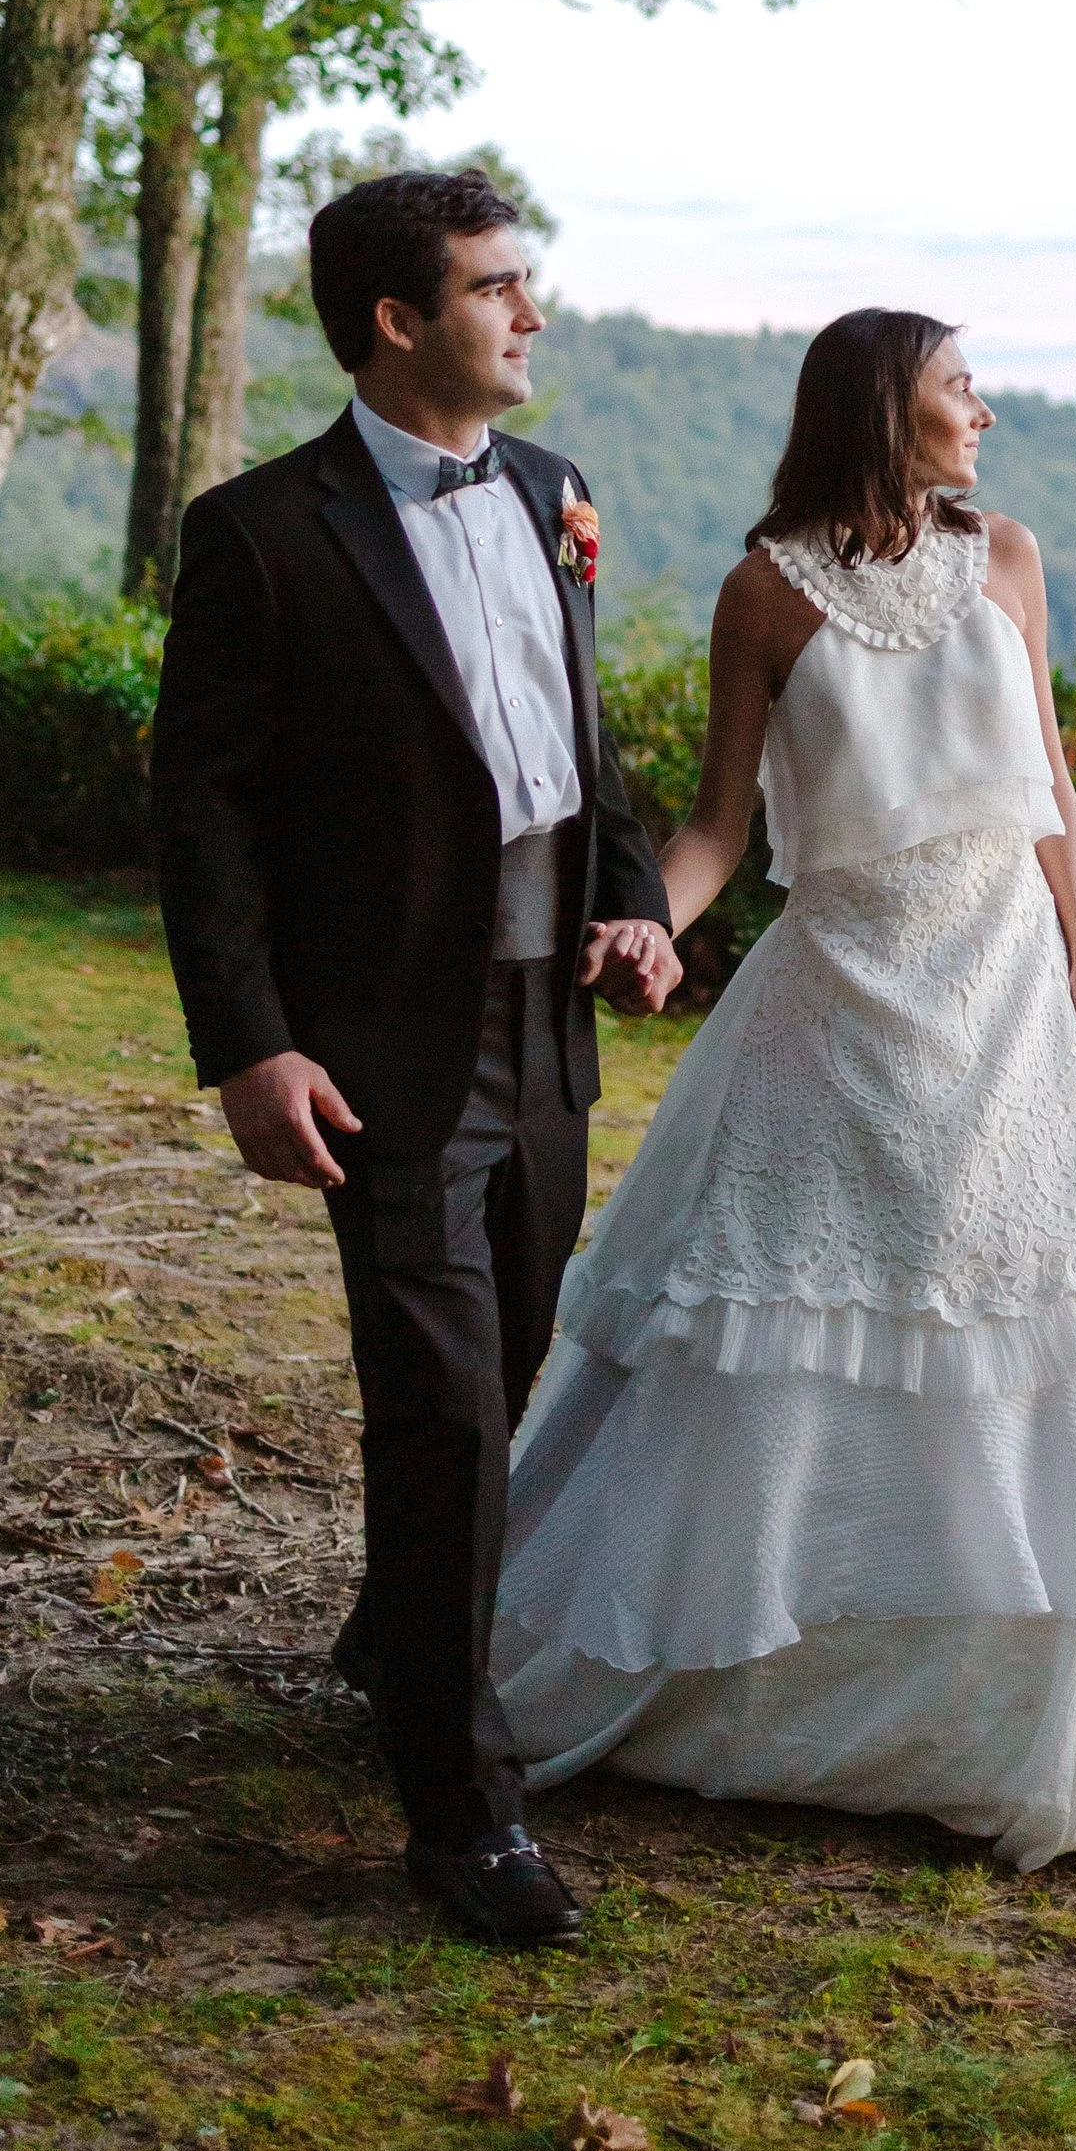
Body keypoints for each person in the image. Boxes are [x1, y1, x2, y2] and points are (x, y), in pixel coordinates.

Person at [493, 308, 1076, 1868]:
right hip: (840, 1001)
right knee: (803, 1329)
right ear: (888, 408)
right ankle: (788, 1675)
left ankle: (1047, 1697)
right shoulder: (764, 593)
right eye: (961, 386)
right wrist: (642, 921)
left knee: (1063, 1313)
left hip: (1017, 978)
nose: (985, 411)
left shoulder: (1006, 554)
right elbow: (719, 828)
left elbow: (1051, 780)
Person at [152, 168, 680, 1946]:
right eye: (498, 286)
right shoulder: (260, 532)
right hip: (379, 1043)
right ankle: (463, 1813)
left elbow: (582, 753)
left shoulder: (554, 495)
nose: (532, 313)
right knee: (443, 1404)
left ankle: (400, 1629)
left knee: (512, 1361)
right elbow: (203, 812)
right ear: (398, 318)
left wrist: (631, 906)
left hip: (548, 1027)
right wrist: (249, 1045)